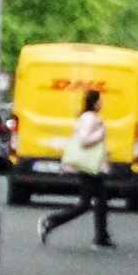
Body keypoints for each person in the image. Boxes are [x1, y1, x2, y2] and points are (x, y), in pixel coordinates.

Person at [41, 88, 116, 249]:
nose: (101, 103)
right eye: (99, 100)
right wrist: (100, 134)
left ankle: (101, 237)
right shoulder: (89, 118)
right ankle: (51, 221)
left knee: (100, 200)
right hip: (88, 166)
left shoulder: (89, 117)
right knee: (87, 203)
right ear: (95, 102)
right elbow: (84, 140)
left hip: (92, 166)